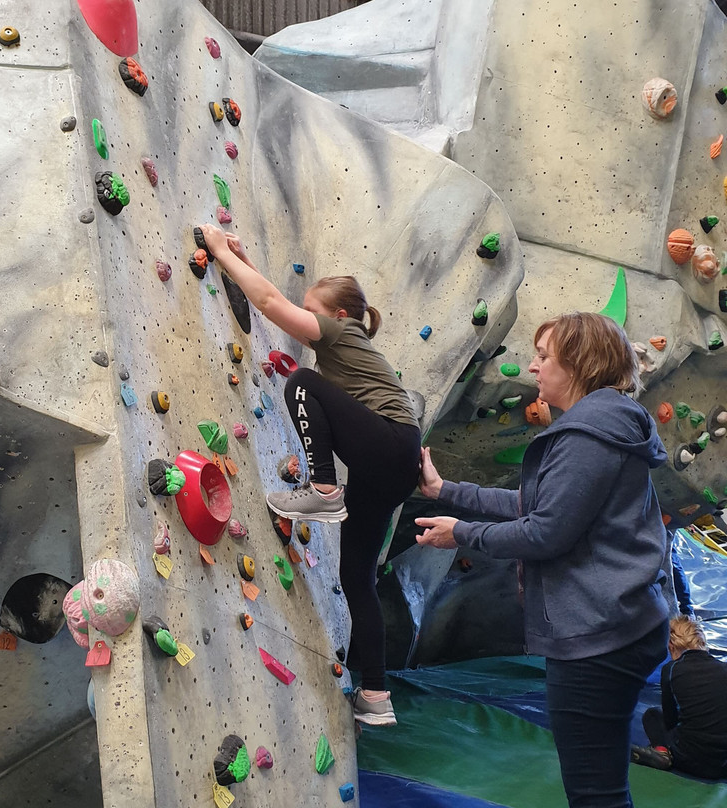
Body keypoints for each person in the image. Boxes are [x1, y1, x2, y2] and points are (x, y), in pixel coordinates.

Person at [415, 312, 671, 808]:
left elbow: (544, 531)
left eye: (544, 357)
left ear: (579, 364)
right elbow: (538, 506)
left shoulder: (587, 436)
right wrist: (446, 491)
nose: (533, 368)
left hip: (601, 633)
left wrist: (463, 533)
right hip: (621, 622)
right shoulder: (603, 425)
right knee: (600, 780)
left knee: (594, 791)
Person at [199, 224, 421, 727]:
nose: (306, 319)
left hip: (388, 445)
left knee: (302, 382)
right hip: (390, 467)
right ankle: (377, 695)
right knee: (355, 578)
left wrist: (217, 250)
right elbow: (275, 302)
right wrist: (241, 258)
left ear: (338, 316)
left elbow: (275, 306)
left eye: (313, 311)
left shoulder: (344, 332)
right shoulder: (348, 343)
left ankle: (322, 489)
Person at [632, 615, 727, 779]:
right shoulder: (723, 668)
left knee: (653, 715)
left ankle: (662, 752)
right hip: (723, 764)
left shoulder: (671, 669)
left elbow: (670, 720)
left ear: (671, 644)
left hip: (690, 760)